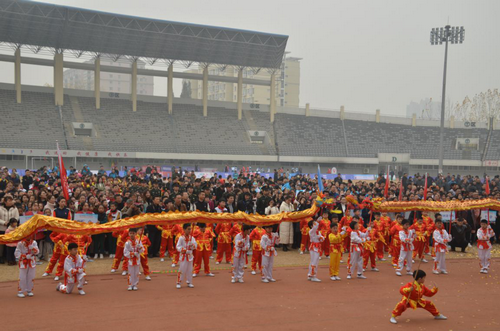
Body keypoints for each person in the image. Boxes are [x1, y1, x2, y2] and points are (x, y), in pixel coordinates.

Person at [176, 223, 197, 289]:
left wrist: (192, 246)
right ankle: (179, 282)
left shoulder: (192, 238)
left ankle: (189, 282)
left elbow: (195, 245)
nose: (190, 230)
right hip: (184, 256)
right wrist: (184, 250)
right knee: (182, 270)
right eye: (188, 229)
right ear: (184, 229)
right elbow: (178, 246)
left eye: (190, 229)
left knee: (190, 270)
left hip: (190, 257)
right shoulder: (181, 238)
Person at [0, 194, 20, 264]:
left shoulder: (15, 208)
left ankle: (12, 258)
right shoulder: (0, 208)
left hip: (12, 229)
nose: (11, 202)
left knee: (12, 244)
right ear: (5, 201)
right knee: (2, 244)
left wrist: (12, 222)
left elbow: (17, 217)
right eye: (9, 200)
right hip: (2, 228)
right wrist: (4, 222)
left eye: (11, 200)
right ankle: (1, 257)